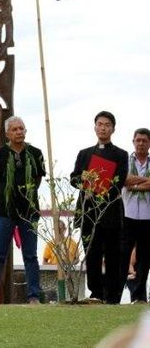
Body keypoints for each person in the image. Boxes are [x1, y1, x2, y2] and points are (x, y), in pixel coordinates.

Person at [0, 116, 46, 305]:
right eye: (15, 129)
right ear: (7, 133)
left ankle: (33, 296)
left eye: (22, 129)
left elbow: (38, 179)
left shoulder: (35, 153)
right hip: (4, 211)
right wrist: (3, 197)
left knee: (31, 254)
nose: (19, 132)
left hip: (29, 211)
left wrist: (27, 196)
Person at [70, 111, 128, 304]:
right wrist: (84, 181)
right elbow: (74, 178)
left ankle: (112, 297)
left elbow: (117, 183)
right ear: (95, 127)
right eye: (100, 124)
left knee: (113, 256)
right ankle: (95, 294)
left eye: (107, 125)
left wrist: (98, 188)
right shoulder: (84, 153)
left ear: (113, 129)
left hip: (110, 211)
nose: (103, 128)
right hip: (88, 211)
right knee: (92, 255)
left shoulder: (121, 154)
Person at [120, 128, 150, 303]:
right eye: (138, 140)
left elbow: (131, 182)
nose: (141, 143)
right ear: (133, 141)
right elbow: (124, 180)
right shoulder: (126, 160)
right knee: (123, 255)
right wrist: (144, 181)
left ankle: (139, 296)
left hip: (147, 216)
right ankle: (117, 293)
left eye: (144, 141)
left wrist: (134, 183)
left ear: (149, 143)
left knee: (145, 257)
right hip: (128, 213)